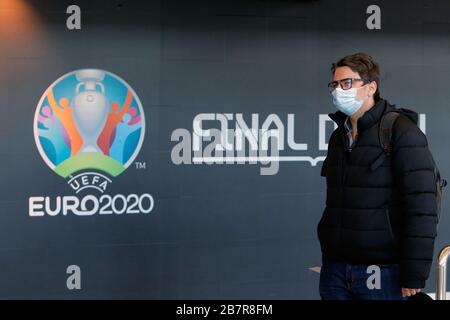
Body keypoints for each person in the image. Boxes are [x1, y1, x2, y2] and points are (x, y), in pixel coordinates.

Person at [318, 52, 438, 300]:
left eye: (347, 83)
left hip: (385, 273)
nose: (339, 90)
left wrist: (414, 274)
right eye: (335, 84)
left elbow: (422, 208)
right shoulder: (338, 137)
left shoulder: (401, 132)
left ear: (371, 87)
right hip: (336, 270)